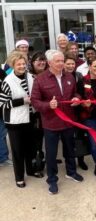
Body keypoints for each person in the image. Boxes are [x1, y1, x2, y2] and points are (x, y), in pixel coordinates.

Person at [31, 50, 84, 194]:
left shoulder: (70, 77)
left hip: (68, 122)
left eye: (62, 60)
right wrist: (48, 105)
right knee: (51, 153)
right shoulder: (40, 79)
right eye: (58, 61)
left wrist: (77, 98)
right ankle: (52, 180)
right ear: (49, 63)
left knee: (69, 148)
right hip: (51, 124)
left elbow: (76, 93)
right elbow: (35, 101)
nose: (61, 63)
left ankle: (71, 172)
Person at [0, 51, 44, 188]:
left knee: (31, 148)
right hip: (15, 121)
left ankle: (31, 170)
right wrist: (22, 101)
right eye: (18, 64)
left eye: (23, 63)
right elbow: (2, 103)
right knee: (18, 151)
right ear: (13, 65)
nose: (21, 66)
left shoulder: (31, 77)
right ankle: (19, 177)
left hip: (30, 118)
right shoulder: (7, 81)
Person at [63, 53, 90, 171]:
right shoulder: (60, 76)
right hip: (65, 111)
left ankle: (81, 160)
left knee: (80, 136)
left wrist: (81, 99)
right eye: (68, 63)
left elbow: (83, 91)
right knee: (67, 138)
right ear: (63, 64)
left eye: (72, 63)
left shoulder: (79, 75)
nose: (70, 66)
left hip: (78, 111)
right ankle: (70, 161)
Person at [30, 52, 48, 171]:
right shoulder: (29, 76)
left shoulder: (48, 75)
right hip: (35, 113)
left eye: (43, 60)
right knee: (36, 138)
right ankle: (38, 160)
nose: (41, 63)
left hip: (48, 111)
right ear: (32, 63)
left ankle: (48, 157)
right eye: (38, 60)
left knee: (49, 137)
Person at [0, 67, 13, 167]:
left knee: (2, 134)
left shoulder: (1, 72)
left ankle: (3, 157)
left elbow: (8, 86)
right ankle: (3, 158)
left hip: (2, 109)